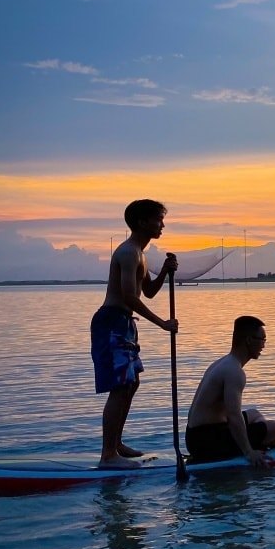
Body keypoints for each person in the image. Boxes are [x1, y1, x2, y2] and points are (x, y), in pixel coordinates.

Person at [91, 199, 178, 469]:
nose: (162, 225)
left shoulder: (140, 254)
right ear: (142, 222)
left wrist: (164, 271)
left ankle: (116, 444)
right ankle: (108, 456)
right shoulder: (128, 252)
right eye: (158, 219)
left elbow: (148, 291)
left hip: (125, 324)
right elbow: (129, 296)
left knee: (131, 383)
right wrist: (162, 323)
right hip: (111, 323)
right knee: (120, 387)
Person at [185, 315, 275, 467]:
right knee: (274, 428)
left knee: (254, 414)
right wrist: (248, 452)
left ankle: (274, 442)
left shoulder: (223, 363)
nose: (264, 345)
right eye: (262, 340)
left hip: (195, 435)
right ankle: (270, 443)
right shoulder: (234, 371)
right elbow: (233, 415)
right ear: (248, 340)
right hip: (206, 443)